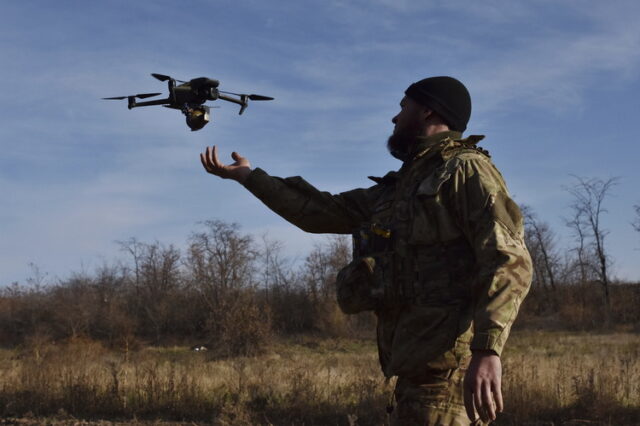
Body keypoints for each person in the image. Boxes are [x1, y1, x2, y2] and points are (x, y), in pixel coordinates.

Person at [200, 76, 532, 425]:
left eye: (403, 107)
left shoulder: (465, 169)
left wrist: (487, 349)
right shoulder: (400, 186)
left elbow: (509, 259)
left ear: (428, 110)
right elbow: (319, 211)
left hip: (446, 373)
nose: (394, 118)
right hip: (413, 373)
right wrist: (250, 177)